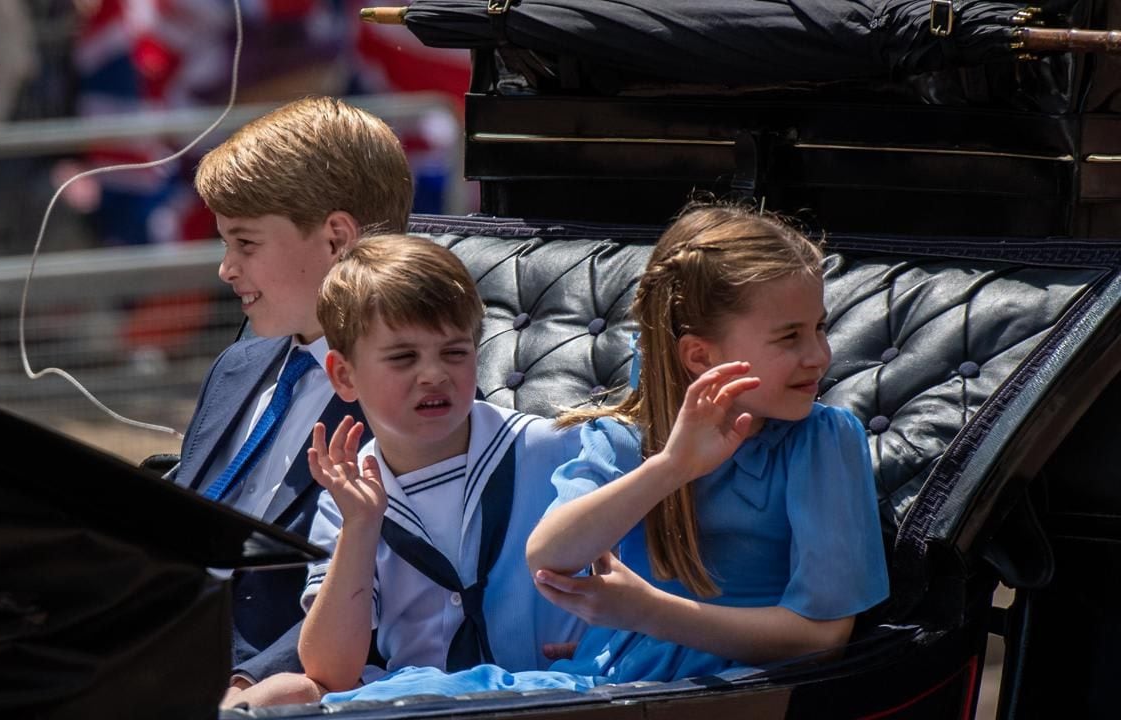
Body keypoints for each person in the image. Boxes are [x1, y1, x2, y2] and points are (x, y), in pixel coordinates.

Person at [317, 203, 891, 701]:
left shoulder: (821, 440)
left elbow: (822, 637)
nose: (820, 355)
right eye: (790, 337)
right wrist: (671, 467)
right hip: (600, 681)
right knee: (372, 703)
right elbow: (549, 554)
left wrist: (648, 613)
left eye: (818, 328)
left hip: (721, 690)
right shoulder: (624, 437)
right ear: (698, 356)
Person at [221, 236, 585, 707]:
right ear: (344, 376)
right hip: (413, 700)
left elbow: (637, 551)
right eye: (403, 357)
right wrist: (360, 528)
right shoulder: (348, 495)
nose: (433, 374)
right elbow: (331, 669)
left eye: (455, 352)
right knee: (280, 692)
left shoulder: (551, 447)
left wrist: (608, 632)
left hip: (554, 688)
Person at [171, 96, 413, 699]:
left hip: (269, 680)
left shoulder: (411, 397)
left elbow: (383, 588)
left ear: (336, 240)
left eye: (246, 244)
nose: (226, 269)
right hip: (159, 641)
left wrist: (245, 680)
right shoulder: (239, 366)